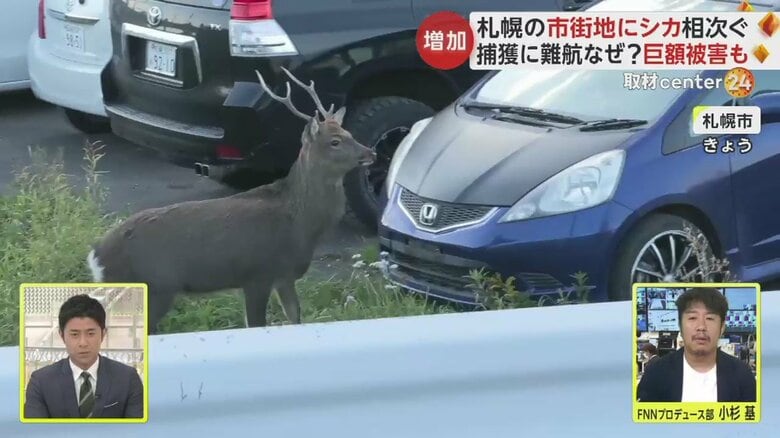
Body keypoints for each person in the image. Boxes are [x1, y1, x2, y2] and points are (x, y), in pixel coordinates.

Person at [24, 294, 144, 418]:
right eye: (75, 334)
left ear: (103, 334)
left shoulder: (128, 378)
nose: (83, 343)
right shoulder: (41, 382)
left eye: (90, 333)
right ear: (62, 335)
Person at [637, 287, 756, 402]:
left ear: (722, 327)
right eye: (692, 318)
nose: (701, 327)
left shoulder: (742, 375)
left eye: (709, 318)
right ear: (680, 325)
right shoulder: (656, 373)